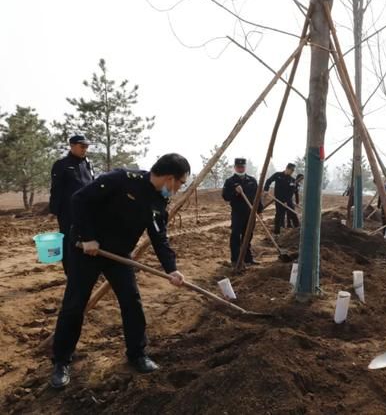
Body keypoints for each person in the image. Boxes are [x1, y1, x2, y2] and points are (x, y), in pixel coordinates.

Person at [49, 153, 190, 389]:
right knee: (75, 303)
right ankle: (61, 361)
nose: (178, 189)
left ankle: (137, 353)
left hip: (119, 255)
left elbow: (159, 237)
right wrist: (88, 238)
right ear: (169, 178)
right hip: (86, 250)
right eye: (180, 183)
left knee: (131, 301)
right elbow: (79, 200)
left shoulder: (158, 200)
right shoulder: (122, 178)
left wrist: (172, 269)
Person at [49, 134, 94, 276]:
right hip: (68, 211)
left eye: (86, 146)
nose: (85, 149)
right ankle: (70, 272)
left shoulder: (87, 163)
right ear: (72, 145)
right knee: (69, 240)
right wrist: (53, 210)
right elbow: (56, 189)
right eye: (82, 146)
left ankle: (87, 269)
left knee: (87, 237)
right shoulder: (61, 165)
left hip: (87, 210)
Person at [223, 158, 263, 265]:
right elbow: (225, 197)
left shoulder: (252, 180)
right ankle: (235, 259)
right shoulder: (230, 181)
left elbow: (257, 196)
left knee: (248, 236)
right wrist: (235, 192)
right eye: (238, 167)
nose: (240, 169)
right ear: (235, 167)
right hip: (237, 213)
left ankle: (247, 258)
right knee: (236, 235)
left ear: (245, 167)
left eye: (242, 167)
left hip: (250, 213)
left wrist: (260, 210)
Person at [264, 163, 297, 235]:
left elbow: (291, 192)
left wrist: (286, 201)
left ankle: (298, 229)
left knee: (293, 214)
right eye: (291, 170)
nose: (292, 172)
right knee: (279, 215)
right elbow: (268, 181)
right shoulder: (278, 175)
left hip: (288, 200)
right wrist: (266, 190)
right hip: (278, 199)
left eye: (293, 171)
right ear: (287, 168)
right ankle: (277, 233)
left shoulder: (292, 180)